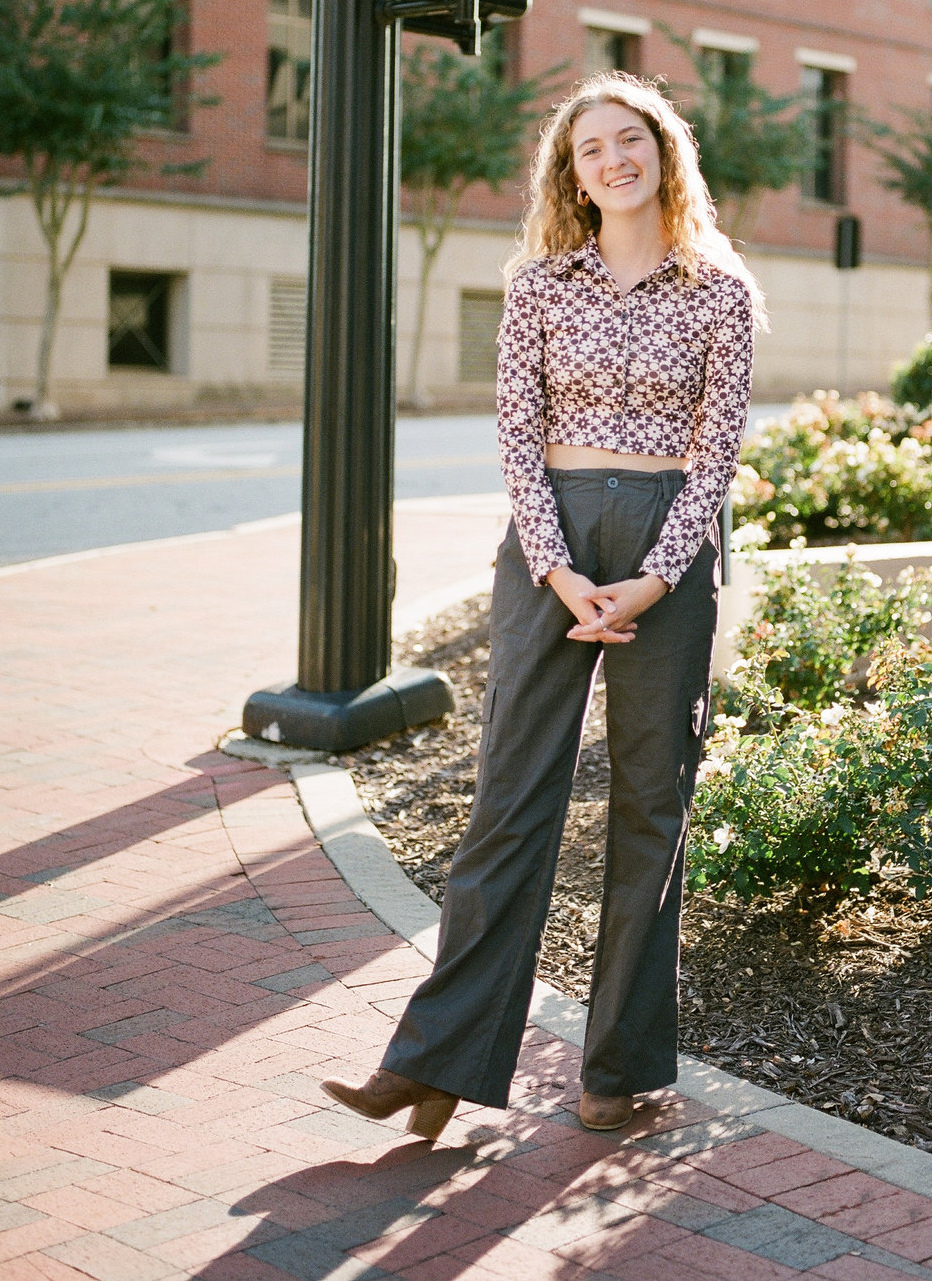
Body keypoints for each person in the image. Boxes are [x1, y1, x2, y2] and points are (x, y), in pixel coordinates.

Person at [322, 72, 765, 1139]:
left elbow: (718, 453)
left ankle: (617, 1070)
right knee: (508, 798)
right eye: (588, 148)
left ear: (664, 152)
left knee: (650, 810)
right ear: (569, 174)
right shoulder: (537, 285)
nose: (611, 159)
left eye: (630, 139)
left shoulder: (722, 288)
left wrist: (658, 575)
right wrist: (559, 568)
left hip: (668, 544)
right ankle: (433, 1061)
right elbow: (517, 438)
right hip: (547, 546)